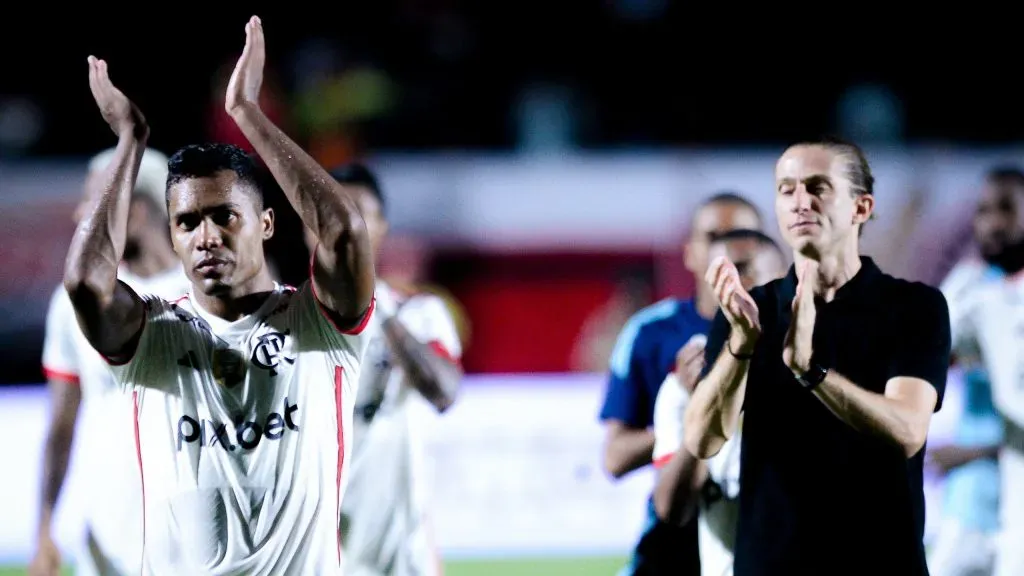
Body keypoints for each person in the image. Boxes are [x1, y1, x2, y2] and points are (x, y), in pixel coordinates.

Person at [66, 17, 375, 575]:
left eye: (224, 216)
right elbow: (85, 284)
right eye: (186, 223)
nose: (206, 236)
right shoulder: (153, 336)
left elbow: (345, 234)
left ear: (267, 224)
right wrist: (130, 141)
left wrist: (249, 116)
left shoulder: (318, 322)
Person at [684, 137, 951, 576]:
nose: (799, 201)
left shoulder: (913, 307)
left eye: (818, 187)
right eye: (786, 189)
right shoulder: (750, 311)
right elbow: (703, 439)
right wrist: (741, 347)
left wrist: (811, 372)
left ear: (860, 208)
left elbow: (907, 429)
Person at [30, 148, 187, 576]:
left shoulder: (209, 294)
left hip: (196, 541)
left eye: (93, 201)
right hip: (108, 537)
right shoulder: (73, 305)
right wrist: (44, 527)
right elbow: (61, 424)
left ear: (134, 211)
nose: (81, 212)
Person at [599, 192, 763, 575]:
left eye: (741, 235)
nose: (727, 249)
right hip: (672, 543)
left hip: (759, 542)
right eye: (713, 237)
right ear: (690, 253)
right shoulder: (652, 333)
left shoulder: (790, 335)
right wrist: (688, 420)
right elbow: (615, 457)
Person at [321, 163, 464, 576]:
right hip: (322, 553)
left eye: (357, 217)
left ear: (382, 227)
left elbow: (444, 391)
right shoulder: (289, 323)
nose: (343, 231)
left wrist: (375, 305)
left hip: (402, 556)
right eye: (329, 216)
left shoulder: (420, 314)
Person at [651, 229, 787, 576]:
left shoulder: (824, 363)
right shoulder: (684, 383)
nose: (736, 283)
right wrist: (705, 410)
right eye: (721, 273)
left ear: (785, 275)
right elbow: (672, 509)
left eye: (745, 267)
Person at [937, 166, 1024, 576]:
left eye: (1006, 209)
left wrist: (975, 452)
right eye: (984, 211)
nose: (991, 223)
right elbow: (930, 357)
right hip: (976, 500)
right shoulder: (970, 288)